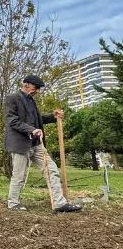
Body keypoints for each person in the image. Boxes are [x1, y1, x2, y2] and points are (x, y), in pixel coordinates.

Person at [4, 75, 81, 213]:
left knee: (51, 170)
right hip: (20, 144)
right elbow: (12, 121)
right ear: (26, 85)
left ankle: (59, 203)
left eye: (38, 89)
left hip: (37, 144)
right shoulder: (12, 98)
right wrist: (32, 130)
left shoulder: (31, 101)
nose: (37, 91)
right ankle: (13, 202)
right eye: (36, 87)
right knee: (19, 175)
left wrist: (53, 116)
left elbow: (37, 119)